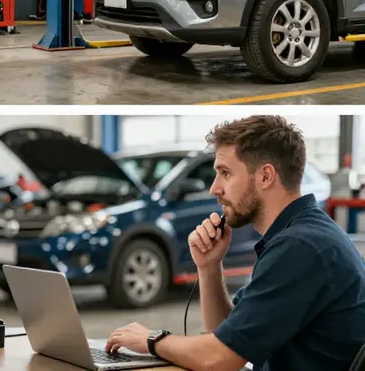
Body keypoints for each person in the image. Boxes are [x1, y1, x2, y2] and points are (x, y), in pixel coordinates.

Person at [107, 115, 365, 371]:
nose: (214, 188)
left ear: (265, 176)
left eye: (225, 173)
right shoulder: (300, 235)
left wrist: (151, 340)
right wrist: (209, 268)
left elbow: (221, 359)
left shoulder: (300, 246)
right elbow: (230, 336)